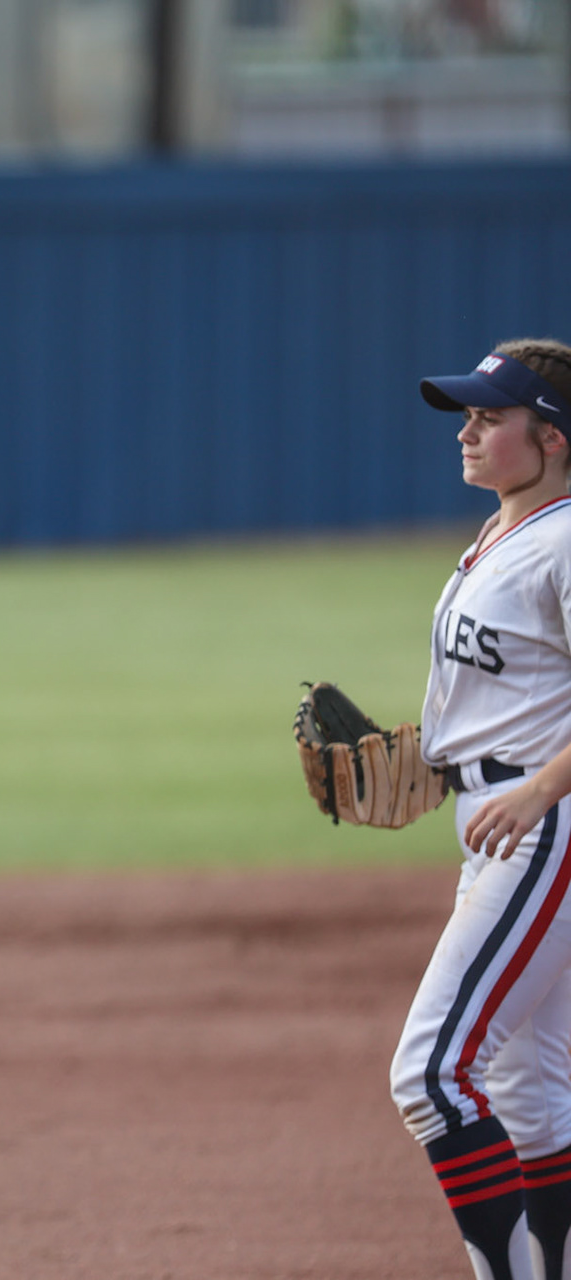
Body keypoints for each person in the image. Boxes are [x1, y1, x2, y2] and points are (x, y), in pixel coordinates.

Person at [392, 338, 571, 1280]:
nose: (467, 430)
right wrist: (432, 765)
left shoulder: (568, 537)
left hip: (544, 825)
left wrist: (541, 786)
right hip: (501, 816)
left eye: (488, 416)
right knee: (532, 1095)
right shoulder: (505, 534)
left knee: (431, 1072)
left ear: (553, 437)